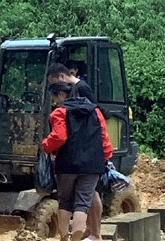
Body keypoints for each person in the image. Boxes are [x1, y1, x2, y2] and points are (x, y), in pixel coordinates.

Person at [42, 82, 113, 241]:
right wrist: (106, 158)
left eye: (54, 98)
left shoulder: (59, 112)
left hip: (67, 163)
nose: (55, 102)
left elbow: (59, 137)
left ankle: (64, 235)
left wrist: (45, 146)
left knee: (65, 201)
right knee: (83, 202)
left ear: (60, 95)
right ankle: (78, 233)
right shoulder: (95, 111)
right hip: (92, 165)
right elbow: (104, 138)